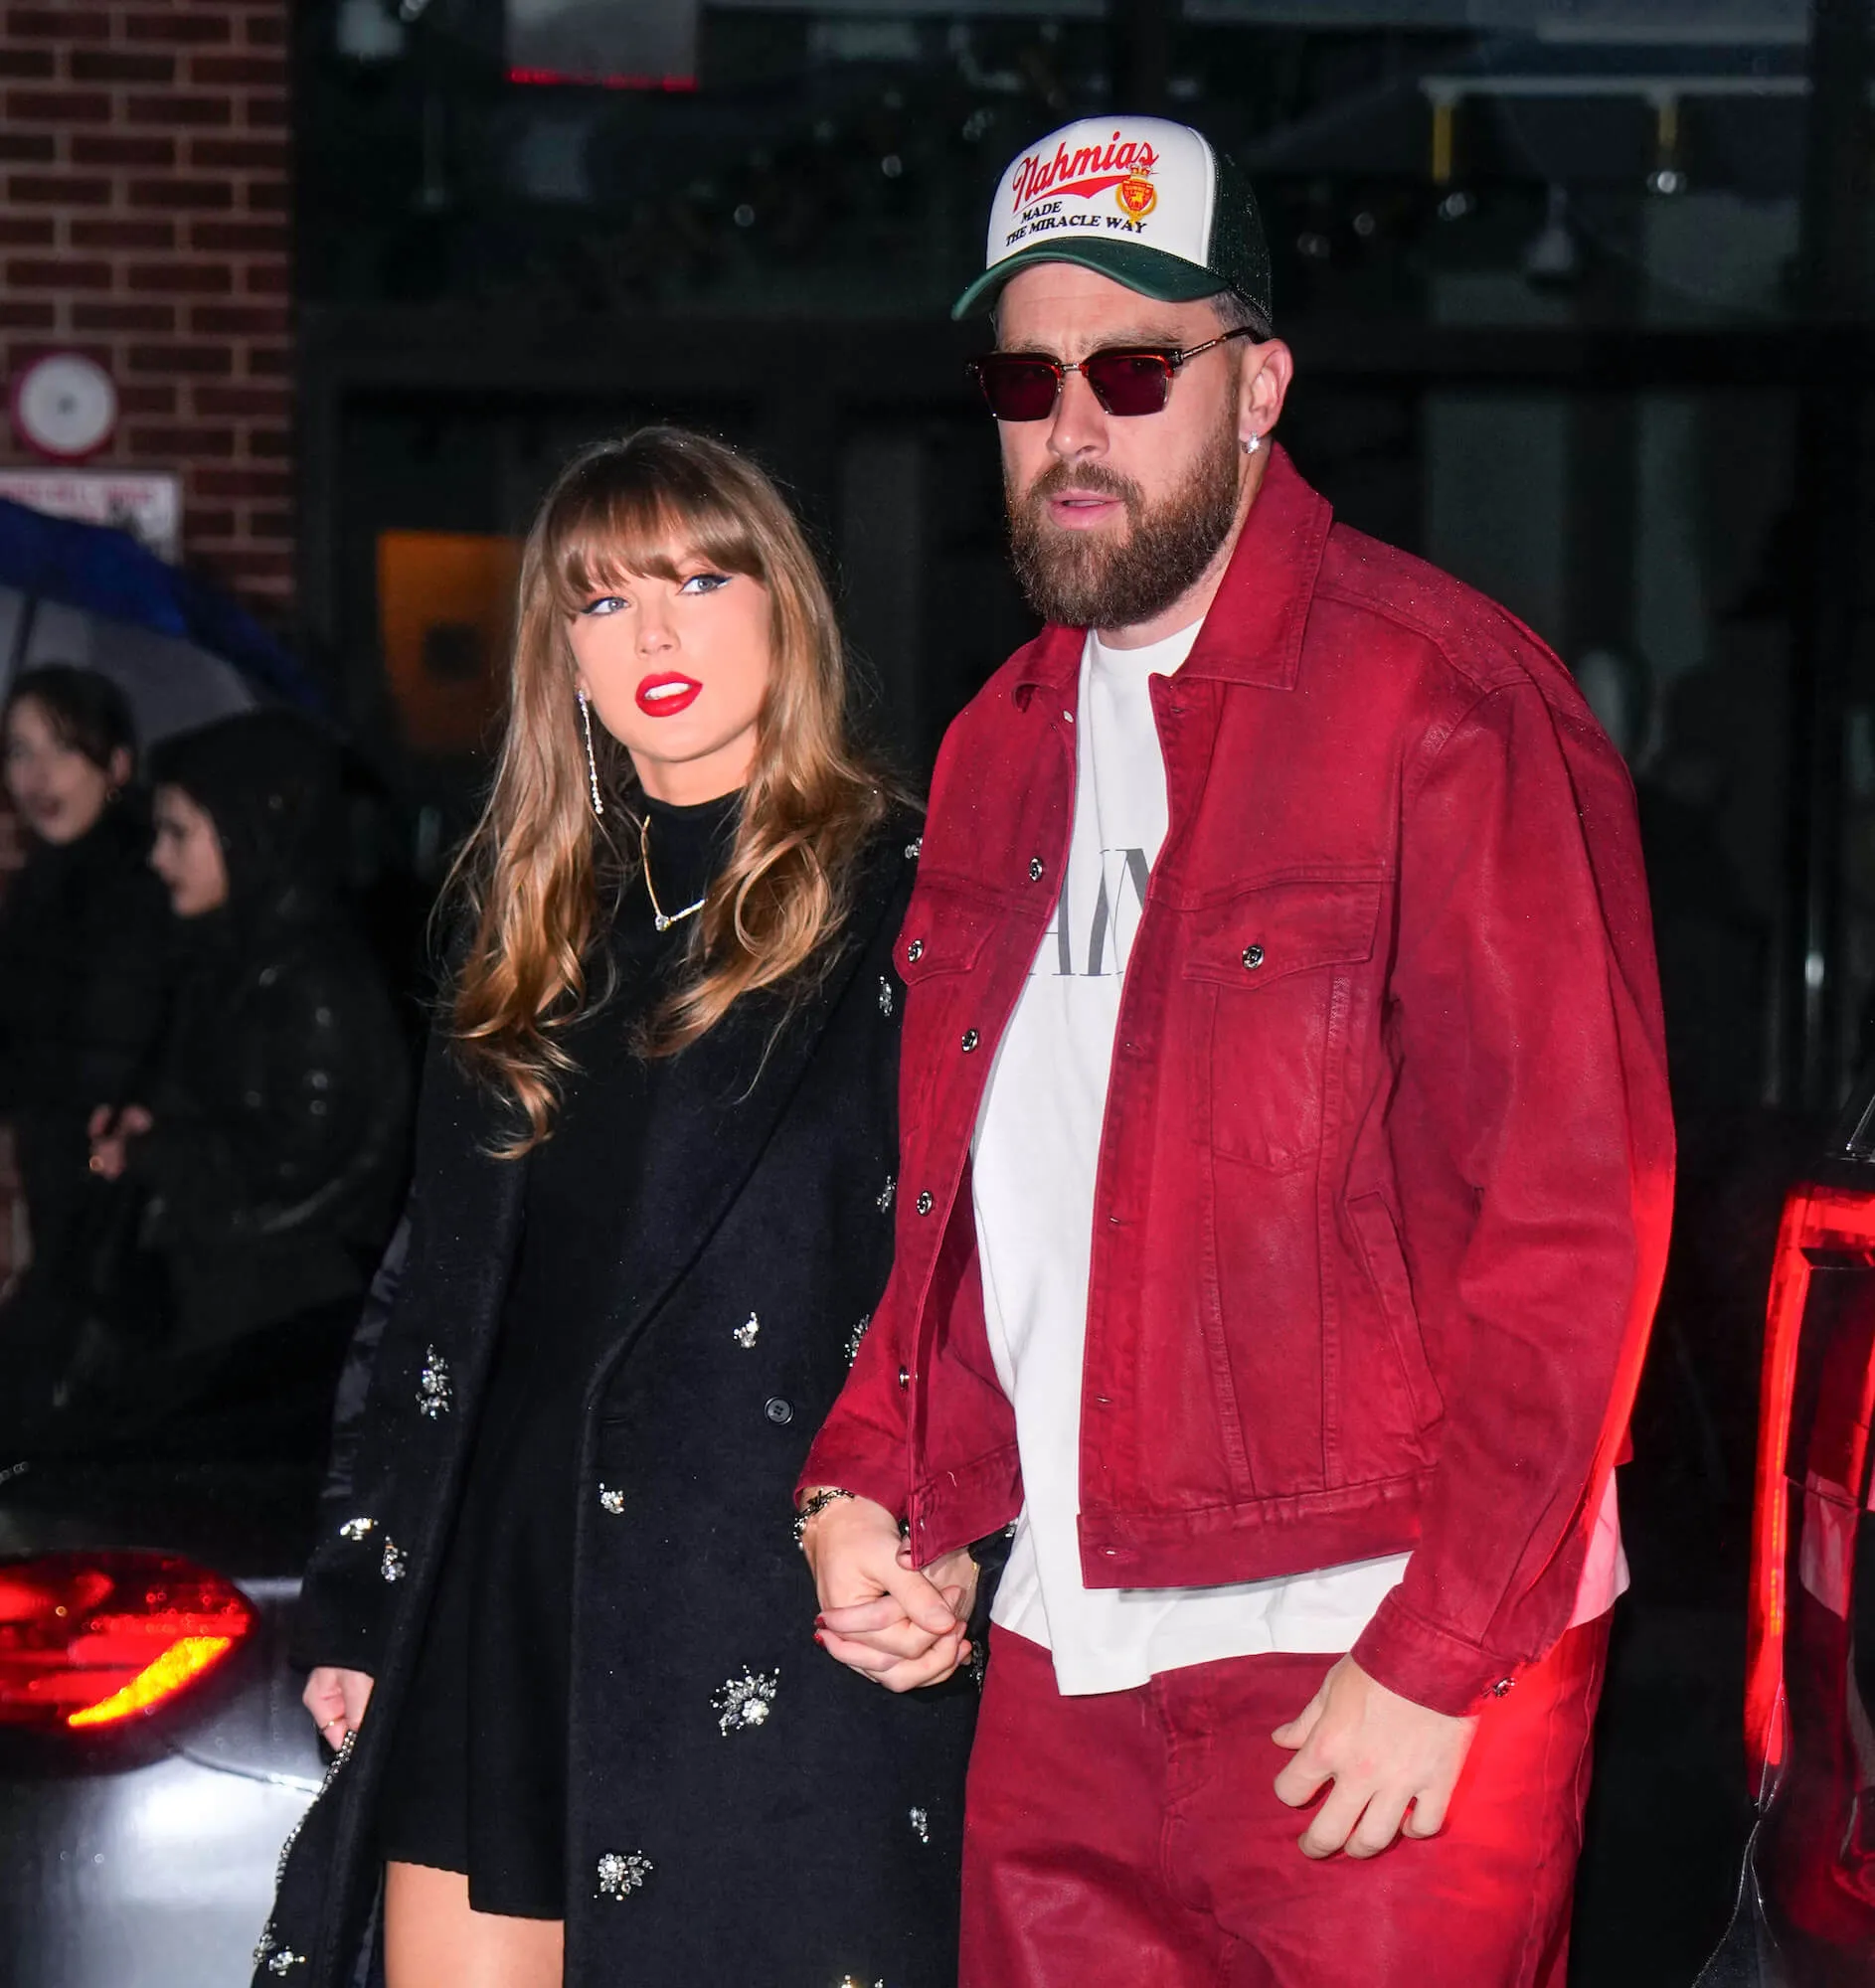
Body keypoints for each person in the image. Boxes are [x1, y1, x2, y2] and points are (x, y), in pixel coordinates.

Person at [797, 116, 1674, 1988]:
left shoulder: (1443, 700)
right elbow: (989, 1190)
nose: (1074, 427)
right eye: (1027, 380)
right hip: (1065, 1655)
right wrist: (888, 1482)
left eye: (1132, 368)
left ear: (1260, 385)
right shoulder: (993, 744)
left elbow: (1573, 1220)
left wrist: (1443, 1653)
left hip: (1374, 1658)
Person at [257, 428, 974, 1988]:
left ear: (783, 608)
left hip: (761, 1609)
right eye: (598, 600)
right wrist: (363, 1590)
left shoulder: (908, 898)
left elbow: (976, 1261)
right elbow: (425, 1299)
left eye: (697, 579)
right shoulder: (526, 923)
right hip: (494, 1587)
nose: (651, 634)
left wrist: (954, 1526)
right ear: (557, 655)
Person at [86, 709, 410, 1439]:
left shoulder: (313, 980)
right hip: (228, 1290)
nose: (157, 858)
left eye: (179, 832)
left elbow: (294, 1160)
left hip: (277, 1314)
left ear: (246, 831)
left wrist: (150, 1152)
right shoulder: (232, 956)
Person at [0, 665, 171, 1426]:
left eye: (63, 751)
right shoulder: (44, 878)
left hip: (104, 1175)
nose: (37, 777)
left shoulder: (136, 884)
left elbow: (110, 1042)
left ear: (118, 766)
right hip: (55, 1165)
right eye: (18, 751)